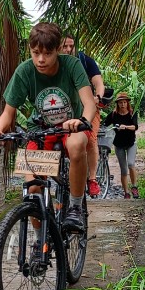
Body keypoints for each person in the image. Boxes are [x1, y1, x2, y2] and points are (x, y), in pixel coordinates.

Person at [0, 21, 97, 232]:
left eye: (47, 53)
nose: (40, 59)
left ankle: (75, 207)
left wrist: (81, 120)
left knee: (76, 146)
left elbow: (89, 104)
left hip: (70, 128)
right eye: (35, 52)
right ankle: (41, 241)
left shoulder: (72, 65)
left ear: (57, 50)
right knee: (33, 191)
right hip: (40, 131)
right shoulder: (24, 71)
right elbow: (8, 113)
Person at [60, 35, 104, 197]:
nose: (68, 49)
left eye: (71, 46)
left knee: (90, 139)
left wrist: (97, 97)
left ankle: (92, 179)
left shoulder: (85, 60)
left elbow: (98, 83)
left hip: (87, 108)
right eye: (64, 46)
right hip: (62, 109)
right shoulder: (53, 62)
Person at [105, 92, 140, 199]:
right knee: (123, 169)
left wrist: (125, 127)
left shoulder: (132, 113)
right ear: (117, 104)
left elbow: (135, 127)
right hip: (119, 144)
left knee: (131, 164)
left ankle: (134, 187)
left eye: (124, 102)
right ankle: (126, 193)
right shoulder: (113, 114)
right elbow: (105, 124)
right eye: (120, 103)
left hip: (131, 143)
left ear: (127, 103)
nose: (123, 104)